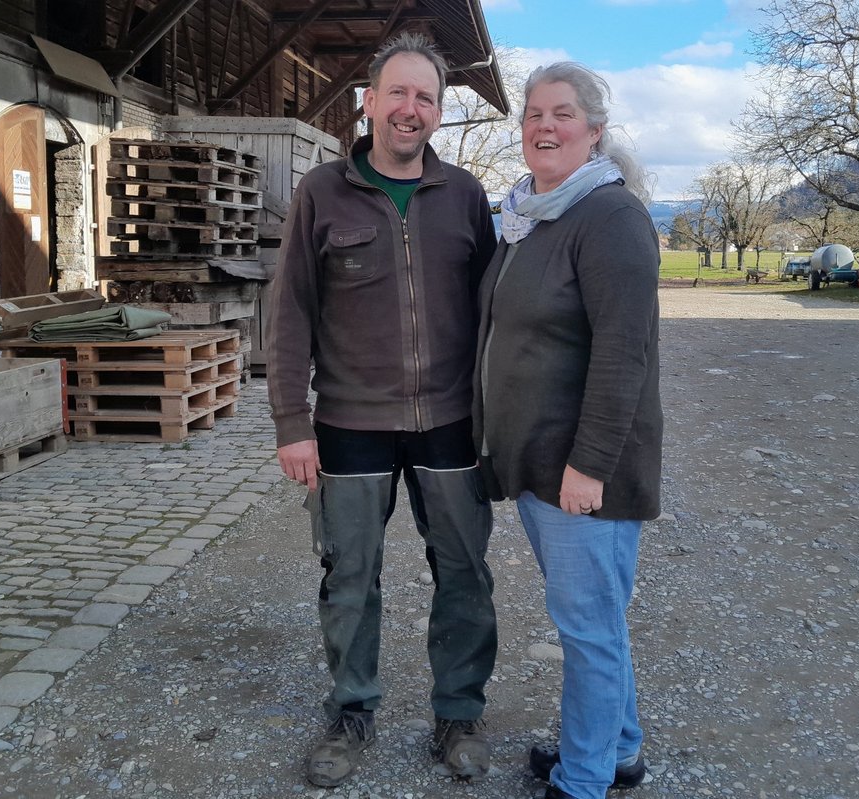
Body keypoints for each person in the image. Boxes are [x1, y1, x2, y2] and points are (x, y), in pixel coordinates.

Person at [266, 32, 499, 789]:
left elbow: (494, 311)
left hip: (449, 420)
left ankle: (458, 711)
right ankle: (352, 710)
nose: (410, 108)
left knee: (463, 571)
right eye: (397, 93)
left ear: (438, 111)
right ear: (368, 102)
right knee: (348, 573)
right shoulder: (322, 194)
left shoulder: (464, 196)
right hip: (349, 422)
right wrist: (291, 424)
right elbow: (290, 310)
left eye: (425, 96)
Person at [472, 62, 663, 799]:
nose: (544, 126)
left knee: (587, 628)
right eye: (532, 114)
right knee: (596, 620)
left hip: (583, 471)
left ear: (595, 131)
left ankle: (584, 781)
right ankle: (618, 749)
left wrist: (588, 465)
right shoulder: (528, 215)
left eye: (561, 114)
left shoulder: (609, 216)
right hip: (540, 461)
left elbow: (625, 352)